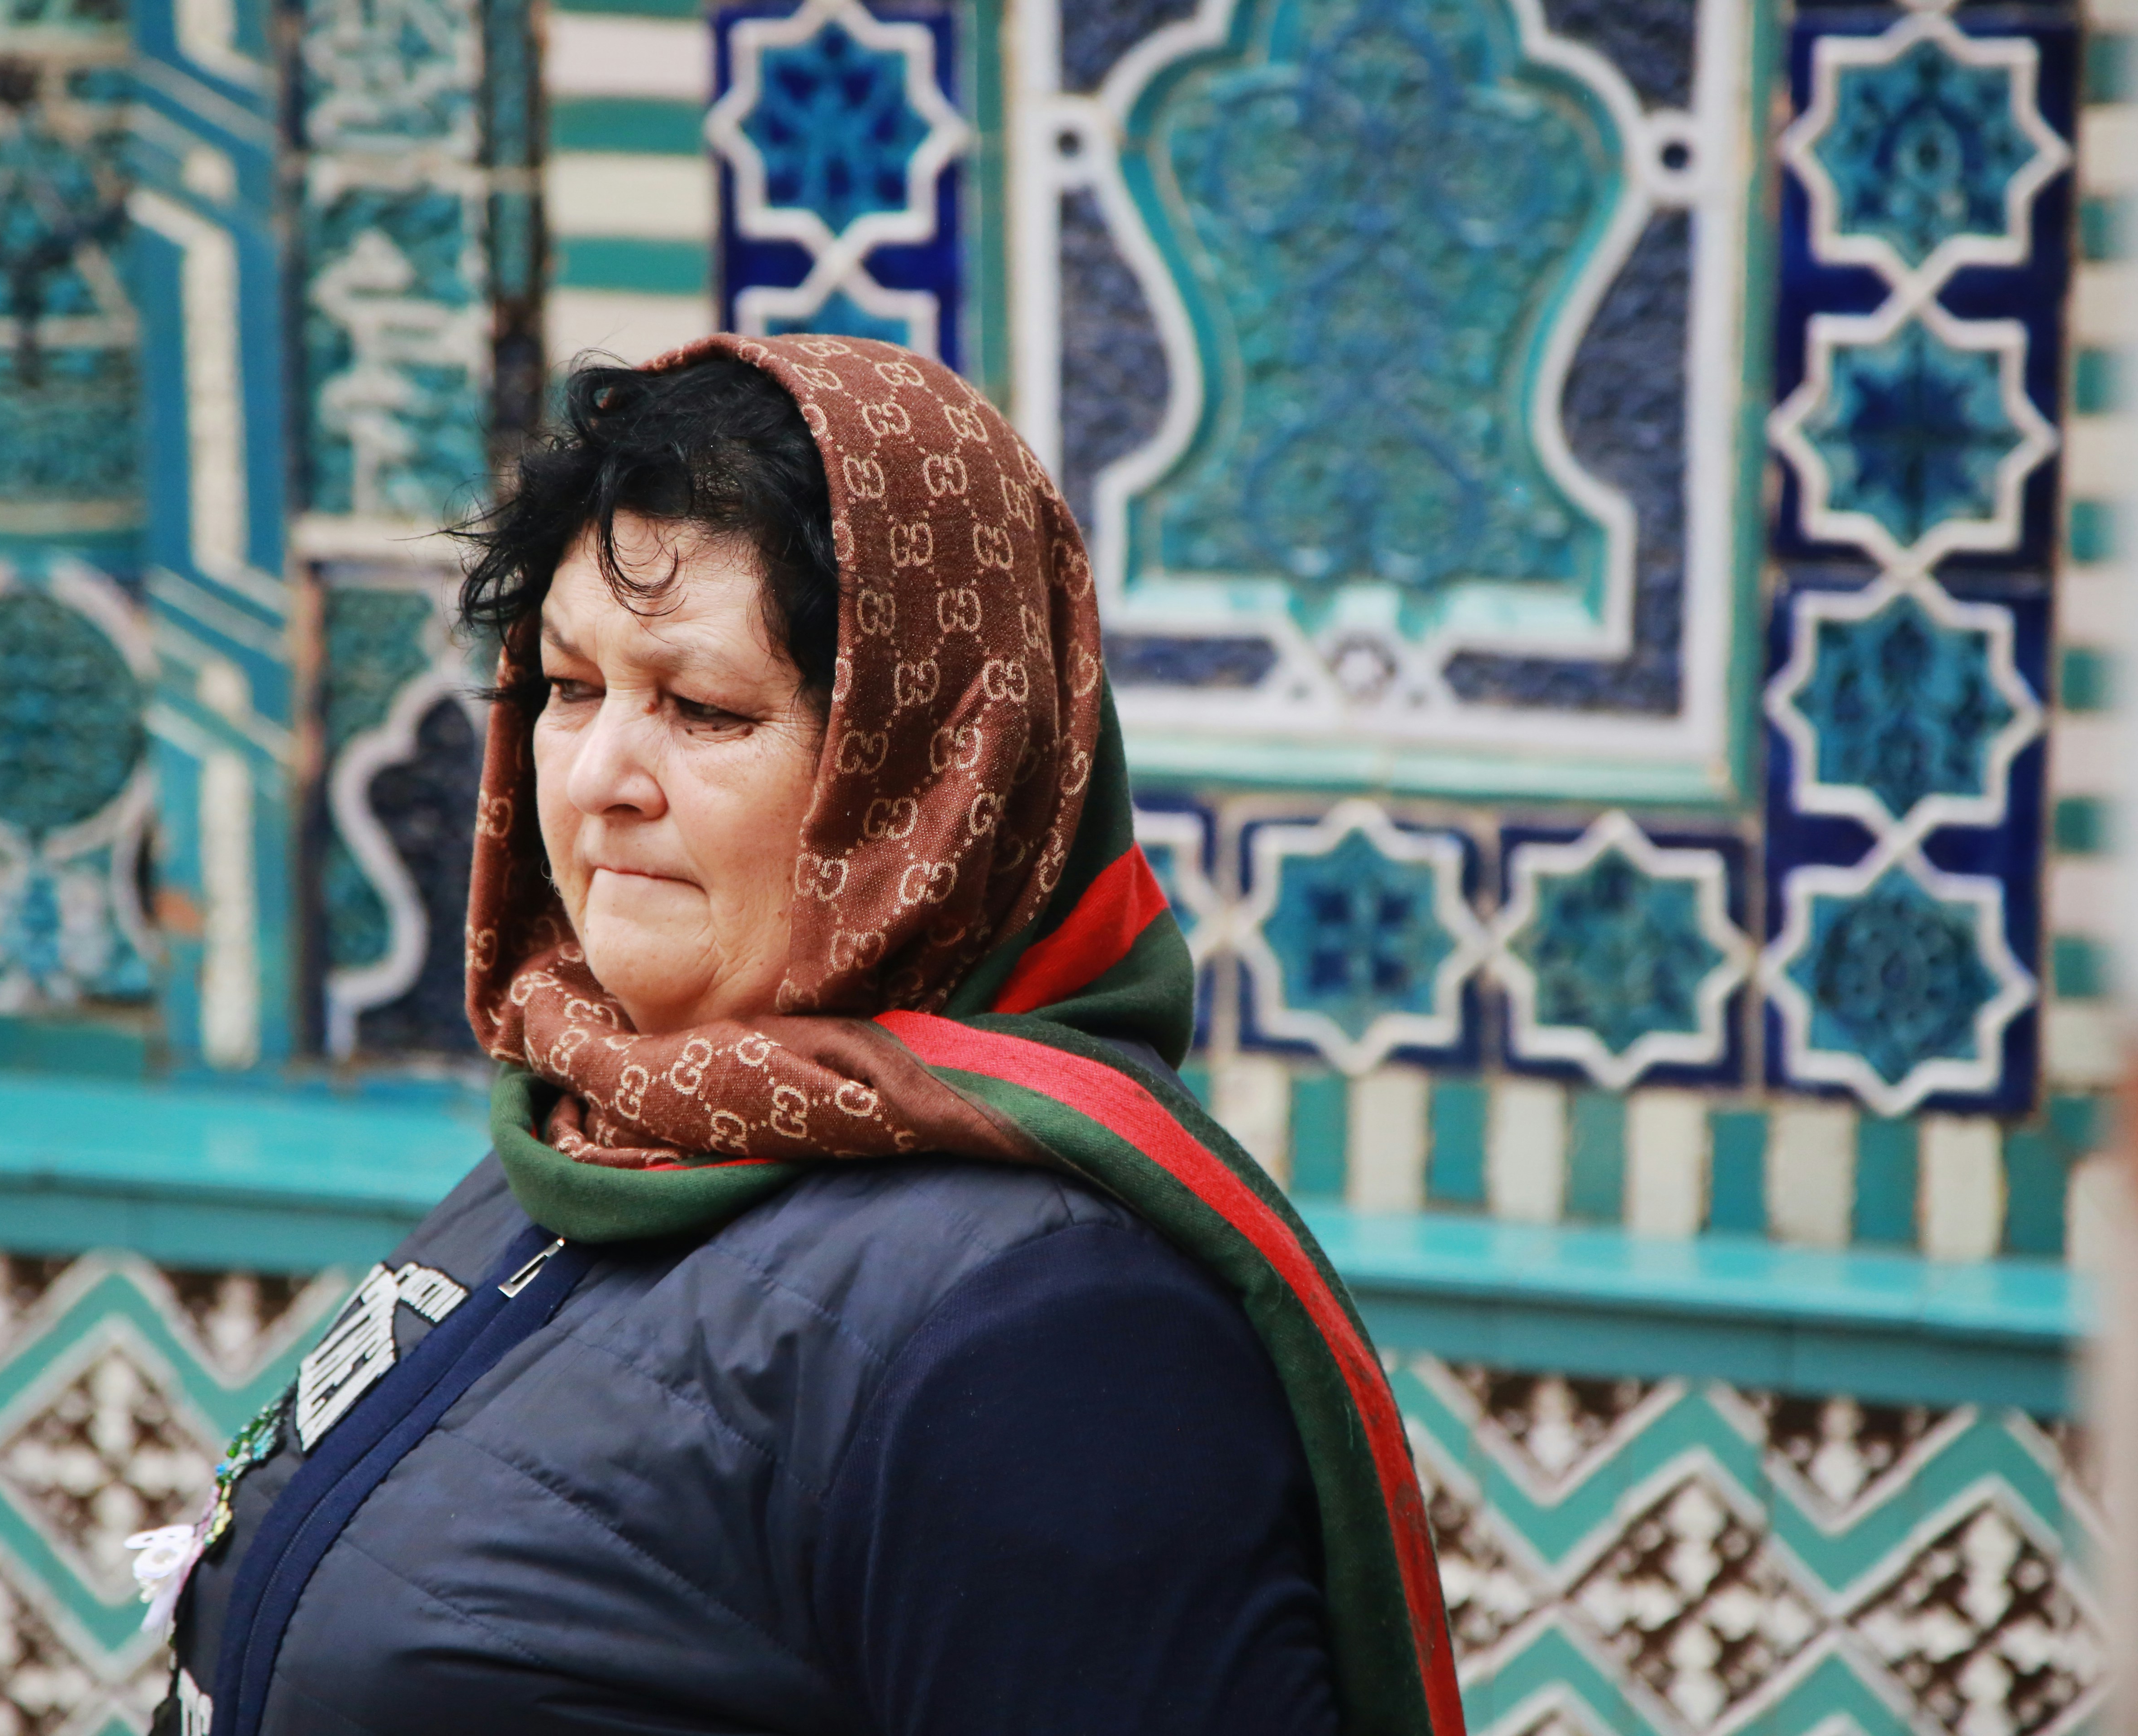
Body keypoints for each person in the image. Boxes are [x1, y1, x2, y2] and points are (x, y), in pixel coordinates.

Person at [142, 335, 1464, 1736]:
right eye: (569, 687)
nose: (594, 780)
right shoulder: (605, 1119)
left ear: (928, 778)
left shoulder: (1054, 1344)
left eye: (702, 710)